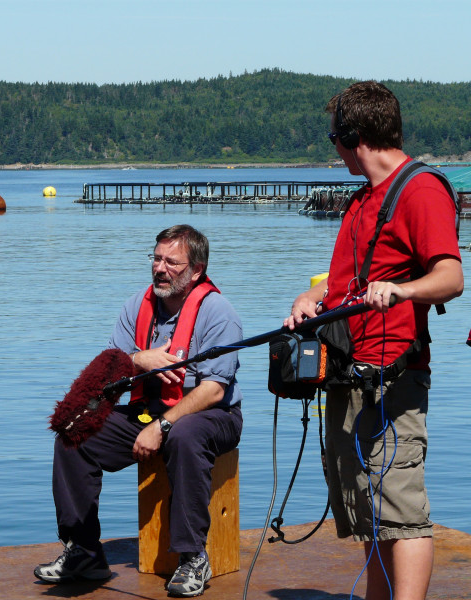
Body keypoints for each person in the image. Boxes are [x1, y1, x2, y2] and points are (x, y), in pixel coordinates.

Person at [284, 81, 463, 600]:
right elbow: (343, 283)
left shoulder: (422, 189)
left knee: (401, 510)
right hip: (348, 374)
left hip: (394, 380)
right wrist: (310, 297)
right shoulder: (362, 200)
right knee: (368, 510)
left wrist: (401, 290)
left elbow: (451, 277)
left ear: (354, 136)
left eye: (332, 138)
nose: (333, 148)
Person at [35, 225, 243, 598]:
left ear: (196, 270)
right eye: (156, 258)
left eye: (172, 262)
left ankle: (193, 556)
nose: (160, 268)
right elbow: (109, 372)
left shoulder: (218, 312)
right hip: (146, 410)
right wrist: (138, 359)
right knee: (74, 433)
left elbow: (214, 389)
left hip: (212, 414)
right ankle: (83, 550)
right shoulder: (137, 305)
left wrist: (162, 426)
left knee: (184, 433)